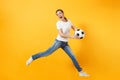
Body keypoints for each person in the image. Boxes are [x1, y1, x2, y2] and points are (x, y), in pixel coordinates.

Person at [26, 9, 90, 77]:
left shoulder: (69, 21)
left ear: (63, 13)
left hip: (65, 43)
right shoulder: (58, 23)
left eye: (60, 13)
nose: (59, 15)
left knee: (73, 56)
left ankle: (81, 72)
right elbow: (61, 34)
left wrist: (78, 32)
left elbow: (74, 28)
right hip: (58, 42)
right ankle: (32, 57)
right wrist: (72, 36)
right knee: (47, 53)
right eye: (57, 14)